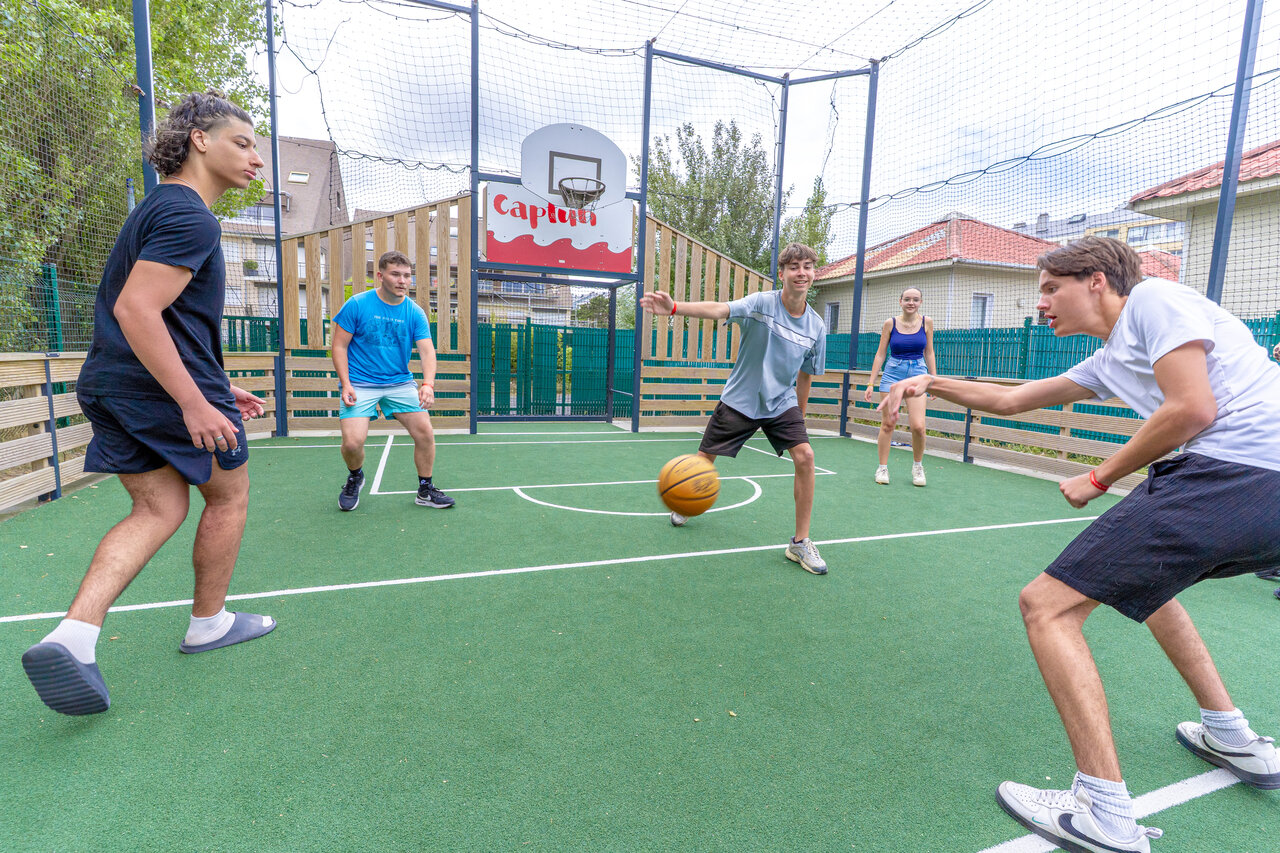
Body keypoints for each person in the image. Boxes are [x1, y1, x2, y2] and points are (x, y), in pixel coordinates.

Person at [879, 236, 1280, 852]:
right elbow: (1010, 399)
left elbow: (1192, 408)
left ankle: (1105, 812)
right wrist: (929, 383)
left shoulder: (1152, 298)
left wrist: (1100, 477)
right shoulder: (1109, 359)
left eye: (1048, 288)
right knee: (1150, 587)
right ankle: (1230, 733)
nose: (1041, 305)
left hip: (1235, 471)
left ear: (1096, 280)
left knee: (1046, 606)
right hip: (1261, 491)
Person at [21, 91, 275, 716]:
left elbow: (165, 315)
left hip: (111, 381)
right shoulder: (192, 216)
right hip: (158, 387)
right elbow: (139, 310)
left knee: (158, 508)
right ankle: (208, 622)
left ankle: (73, 636)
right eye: (242, 143)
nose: (256, 159)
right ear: (199, 140)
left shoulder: (156, 208)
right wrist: (193, 401)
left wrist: (218, 385)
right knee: (230, 494)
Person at [638, 242, 829, 575]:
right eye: (795, 266)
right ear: (782, 273)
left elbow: (806, 375)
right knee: (704, 459)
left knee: (806, 457)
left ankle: (800, 543)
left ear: (814, 273)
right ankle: (685, 499)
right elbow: (720, 309)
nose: (802, 272)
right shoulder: (760, 304)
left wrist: (799, 415)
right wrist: (674, 309)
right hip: (741, 398)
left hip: (780, 402)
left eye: (808, 266)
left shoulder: (816, 327)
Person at [331, 250, 454, 512]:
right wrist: (346, 383)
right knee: (353, 443)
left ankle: (425, 489)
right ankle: (355, 476)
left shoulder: (415, 313)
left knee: (425, 433)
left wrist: (428, 384)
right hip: (361, 383)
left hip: (399, 383)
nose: (402, 280)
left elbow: (427, 351)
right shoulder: (357, 304)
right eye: (395, 274)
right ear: (380, 275)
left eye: (407, 276)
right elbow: (339, 347)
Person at [863, 287, 937, 486]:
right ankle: (882, 468)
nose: (911, 303)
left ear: (920, 302)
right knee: (888, 424)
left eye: (915, 299)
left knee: (918, 427)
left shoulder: (927, 323)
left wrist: (933, 380)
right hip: (892, 374)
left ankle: (918, 467)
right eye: (907, 299)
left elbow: (929, 353)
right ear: (900, 301)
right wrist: (871, 382)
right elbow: (880, 354)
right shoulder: (890, 324)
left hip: (918, 374)